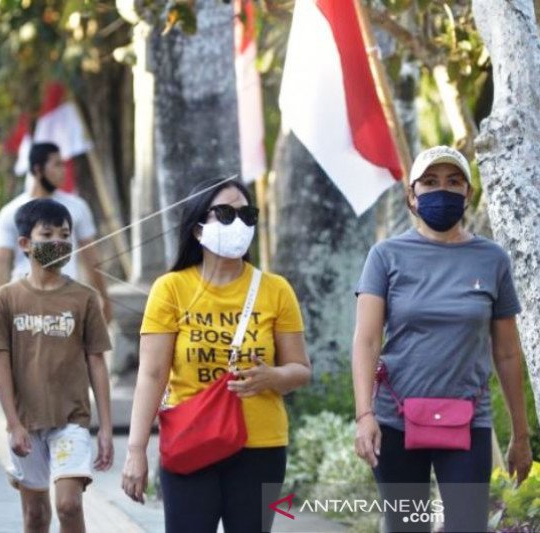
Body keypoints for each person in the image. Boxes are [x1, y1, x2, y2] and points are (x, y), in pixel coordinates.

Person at [352, 146, 533, 532]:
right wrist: (365, 415)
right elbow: (366, 342)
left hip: (468, 422)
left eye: (454, 182)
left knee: (467, 525)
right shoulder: (385, 256)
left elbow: (507, 353)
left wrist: (521, 435)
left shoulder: (492, 259)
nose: (443, 190)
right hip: (395, 420)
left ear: (468, 193)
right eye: (430, 182)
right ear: (412, 195)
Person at [121, 178, 312, 533]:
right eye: (224, 214)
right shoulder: (171, 288)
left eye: (247, 214)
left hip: (260, 446)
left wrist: (272, 377)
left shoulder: (276, 290)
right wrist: (136, 450)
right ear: (197, 229)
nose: (237, 223)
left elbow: (300, 369)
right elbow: (151, 374)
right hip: (190, 440)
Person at [0, 198, 113, 533]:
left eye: (65, 234)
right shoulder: (5, 299)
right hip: (26, 422)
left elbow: (97, 362)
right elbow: (0, 365)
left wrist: (106, 428)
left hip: (72, 419)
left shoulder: (84, 298)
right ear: (25, 243)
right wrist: (13, 423)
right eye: (48, 233)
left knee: (68, 505)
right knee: (36, 516)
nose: (58, 241)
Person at [0, 142, 111, 323]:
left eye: (63, 234)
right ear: (38, 169)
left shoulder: (77, 207)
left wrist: (104, 299)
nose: (64, 170)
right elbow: (0, 263)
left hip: (66, 302)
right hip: (23, 306)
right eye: (57, 164)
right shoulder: (11, 212)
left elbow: (91, 258)